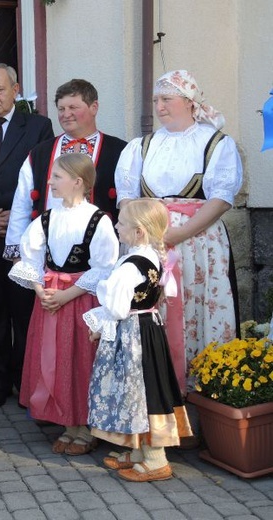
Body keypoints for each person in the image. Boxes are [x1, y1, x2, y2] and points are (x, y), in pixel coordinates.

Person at [115, 70, 243, 391]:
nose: (159, 106)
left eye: (166, 99)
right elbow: (127, 198)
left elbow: (221, 199)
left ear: (188, 102)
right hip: (148, 245)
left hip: (198, 244)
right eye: (156, 100)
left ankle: (197, 401)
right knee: (151, 313)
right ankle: (155, 400)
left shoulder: (215, 144)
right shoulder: (141, 147)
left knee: (196, 312)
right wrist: (144, 233)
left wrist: (176, 236)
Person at [9, 153, 118, 455]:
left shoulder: (97, 220)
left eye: (57, 177)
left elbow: (105, 267)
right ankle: (67, 424)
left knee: (80, 359)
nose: (50, 181)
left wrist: (67, 295)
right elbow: (28, 257)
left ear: (78, 182)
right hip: (49, 302)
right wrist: (39, 290)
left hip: (80, 303)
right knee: (53, 359)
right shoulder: (47, 217)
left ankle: (85, 425)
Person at [84, 199, 192, 482]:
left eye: (121, 223)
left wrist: (99, 324)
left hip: (133, 333)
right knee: (144, 389)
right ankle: (141, 451)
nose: (117, 226)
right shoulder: (153, 255)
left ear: (139, 232)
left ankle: (156, 459)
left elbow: (118, 309)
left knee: (141, 392)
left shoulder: (130, 266)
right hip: (147, 328)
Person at [0, 63, 54, 407]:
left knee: (24, 313)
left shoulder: (38, 127)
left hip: (26, 239)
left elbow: (47, 180)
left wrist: (21, 222)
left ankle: (24, 380)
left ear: (16, 90)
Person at [7, 79, 127, 257]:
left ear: (94, 107)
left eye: (73, 107)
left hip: (103, 253)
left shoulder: (120, 151)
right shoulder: (40, 153)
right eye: (61, 109)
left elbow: (130, 204)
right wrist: (16, 253)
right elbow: (21, 204)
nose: (66, 114)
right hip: (48, 253)